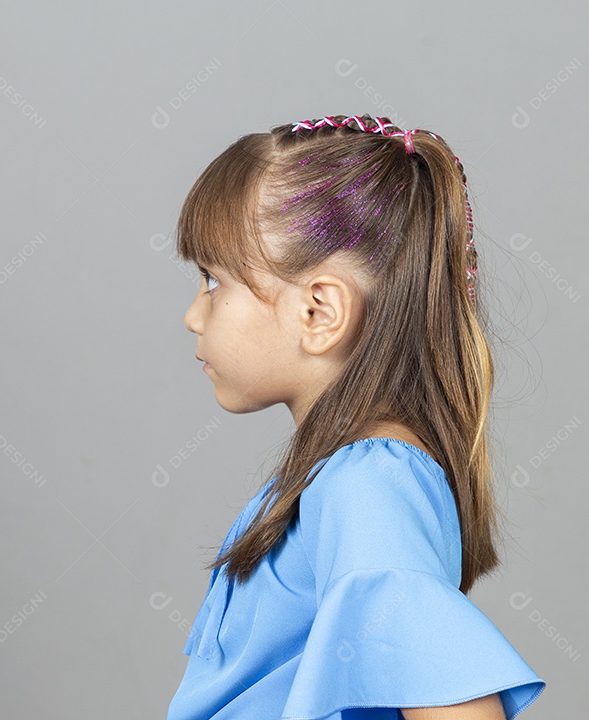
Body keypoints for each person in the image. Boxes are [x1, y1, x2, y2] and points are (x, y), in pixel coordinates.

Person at [167, 114, 546, 720]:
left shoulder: (366, 484)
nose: (193, 314)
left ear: (319, 311)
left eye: (213, 280)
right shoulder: (349, 478)